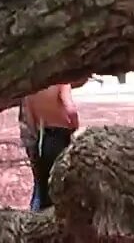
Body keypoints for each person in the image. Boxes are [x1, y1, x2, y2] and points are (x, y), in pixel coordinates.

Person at [23, 77, 87, 211]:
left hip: (42, 138)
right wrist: (75, 126)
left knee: (44, 187)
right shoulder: (61, 82)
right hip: (60, 137)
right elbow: (70, 109)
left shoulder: (31, 88)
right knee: (64, 183)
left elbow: (29, 118)